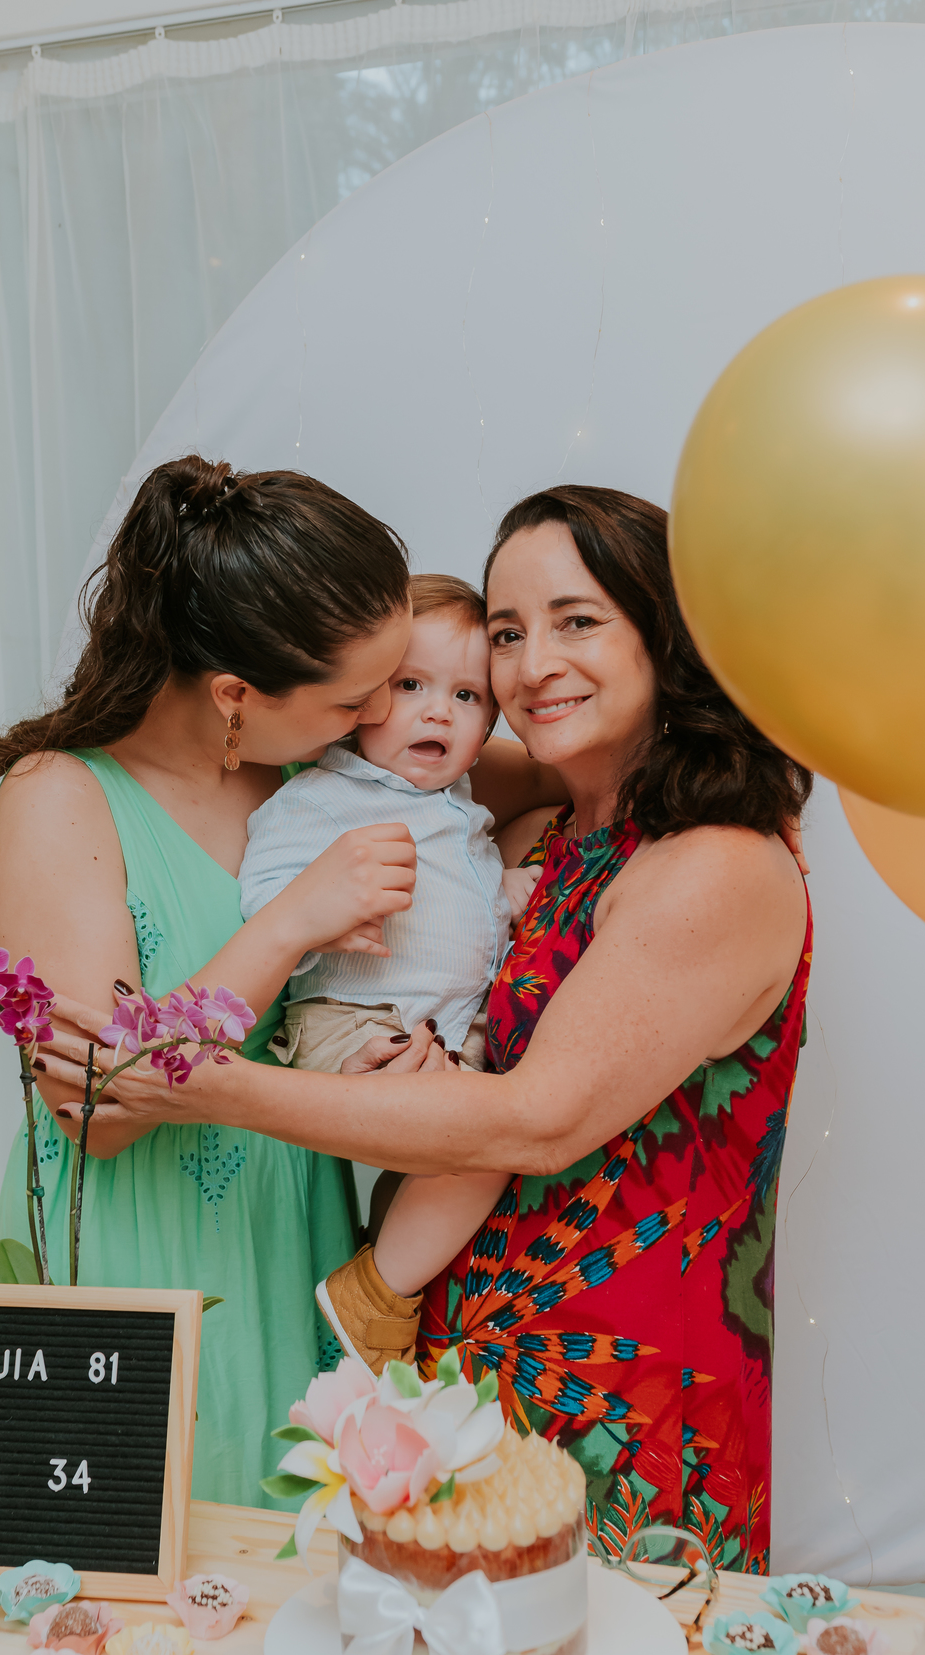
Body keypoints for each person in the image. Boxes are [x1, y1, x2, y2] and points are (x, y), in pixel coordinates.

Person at [44, 484, 812, 1572]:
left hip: (618, 1382)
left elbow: (537, 1121)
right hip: (457, 1364)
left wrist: (213, 1083)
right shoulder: (574, 823)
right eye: (509, 632)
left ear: (671, 634)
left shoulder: (711, 864)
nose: (532, 663)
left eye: (578, 619)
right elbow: (404, 751)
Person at [0, 455, 565, 1509]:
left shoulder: (315, 767)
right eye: (359, 692)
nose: (388, 709)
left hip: (305, 1234)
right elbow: (100, 1104)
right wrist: (294, 920)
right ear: (237, 697)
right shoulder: (59, 798)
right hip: (143, 1253)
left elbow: (563, 768)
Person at [239, 575, 537, 1076]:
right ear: (364, 698)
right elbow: (263, 907)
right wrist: (321, 912)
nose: (439, 712)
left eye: (466, 695)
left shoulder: (459, 804)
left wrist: (498, 891)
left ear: (489, 726)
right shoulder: (322, 797)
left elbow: (451, 894)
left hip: (453, 1029)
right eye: (411, 685)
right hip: (353, 1021)